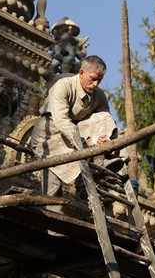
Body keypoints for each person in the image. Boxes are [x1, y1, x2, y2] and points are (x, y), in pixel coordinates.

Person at [31, 55, 122, 200]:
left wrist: (103, 140)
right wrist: (86, 142)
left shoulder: (99, 95)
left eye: (100, 80)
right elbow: (62, 122)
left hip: (76, 135)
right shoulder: (63, 86)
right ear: (81, 73)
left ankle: (100, 160)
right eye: (92, 78)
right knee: (52, 191)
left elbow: (106, 121)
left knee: (104, 117)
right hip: (50, 138)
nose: (96, 84)